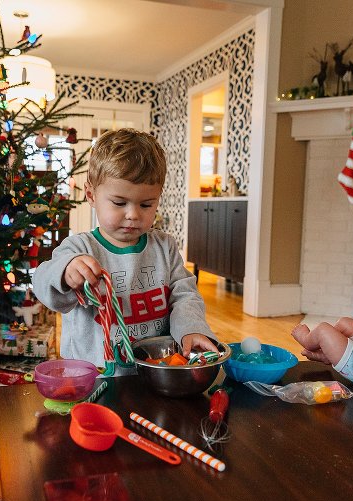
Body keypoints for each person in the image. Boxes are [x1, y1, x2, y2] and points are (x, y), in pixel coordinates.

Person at [32, 128, 218, 375]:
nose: (133, 214)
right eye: (119, 203)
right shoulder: (79, 249)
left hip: (155, 373)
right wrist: (66, 273)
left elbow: (185, 296)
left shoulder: (165, 247)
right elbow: (43, 283)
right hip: (93, 377)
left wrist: (192, 329)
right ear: (91, 195)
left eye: (146, 204)